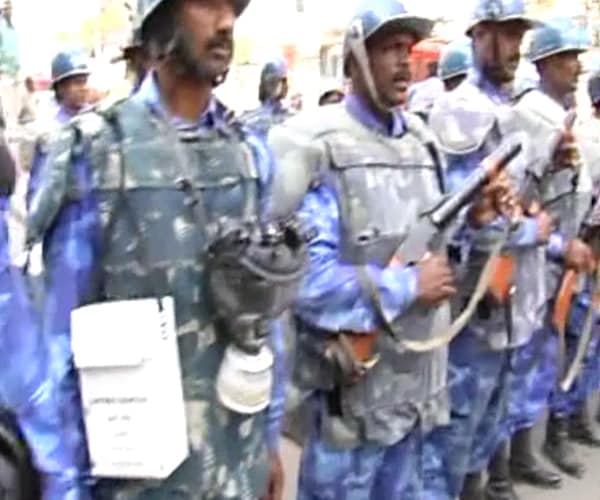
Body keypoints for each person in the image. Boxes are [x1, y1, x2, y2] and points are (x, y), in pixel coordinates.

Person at [26, 0, 305, 498]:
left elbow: (267, 321)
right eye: (206, 4)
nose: (225, 22)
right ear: (161, 23)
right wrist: (65, 487)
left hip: (235, 466)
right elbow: (56, 344)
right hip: (140, 480)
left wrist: (267, 437)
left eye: (231, 8)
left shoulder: (249, 153)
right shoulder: (96, 152)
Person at [268, 1, 511, 498]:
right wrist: (406, 285)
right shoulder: (321, 146)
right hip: (353, 412)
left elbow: (438, 257)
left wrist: (475, 225)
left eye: (407, 48)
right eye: (388, 49)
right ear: (355, 59)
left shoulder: (422, 144)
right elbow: (303, 281)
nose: (404, 61)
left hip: (420, 402)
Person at [422, 2, 573, 498]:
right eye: (504, 35)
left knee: (489, 425)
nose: (514, 47)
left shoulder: (510, 109)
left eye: (518, 36)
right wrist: (534, 233)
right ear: (479, 36)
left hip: (511, 302)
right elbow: (463, 218)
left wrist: (548, 167)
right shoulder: (461, 108)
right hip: (476, 303)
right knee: (456, 433)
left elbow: (516, 200)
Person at [507, 18, 596, 484]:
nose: (577, 68)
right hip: (533, 257)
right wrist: (563, 246)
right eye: (567, 59)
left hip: (562, 256)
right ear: (543, 64)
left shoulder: (561, 114)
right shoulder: (530, 115)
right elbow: (520, 197)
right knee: (521, 365)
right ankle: (506, 466)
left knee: (543, 360)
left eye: (578, 58)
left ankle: (527, 452)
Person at [27, 49, 90, 205]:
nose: (83, 88)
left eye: (84, 81)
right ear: (60, 88)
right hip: (63, 219)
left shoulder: (97, 123)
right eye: (77, 83)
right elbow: (38, 188)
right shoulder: (48, 131)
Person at [240, 57, 294, 136]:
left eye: (276, 81)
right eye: (270, 81)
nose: (273, 85)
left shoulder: (289, 114)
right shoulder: (250, 117)